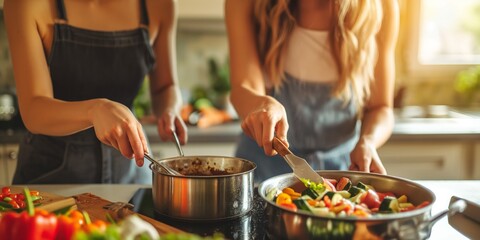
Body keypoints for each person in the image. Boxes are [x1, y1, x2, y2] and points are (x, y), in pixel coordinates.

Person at [4, 0, 187, 184]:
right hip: (52, 173)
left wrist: (169, 109)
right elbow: (33, 109)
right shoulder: (25, 4)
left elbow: (165, 87)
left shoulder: (160, 4)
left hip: (132, 173)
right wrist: (95, 109)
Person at [225, 0, 399, 183]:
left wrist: (368, 142)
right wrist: (261, 105)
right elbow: (243, 88)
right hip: (263, 171)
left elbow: (381, 107)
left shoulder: (382, 5)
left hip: (341, 173)